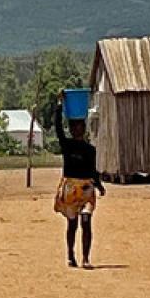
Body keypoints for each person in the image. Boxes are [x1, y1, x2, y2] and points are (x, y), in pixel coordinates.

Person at [53, 110, 105, 269]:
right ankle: (70, 254)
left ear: (84, 129)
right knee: (72, 224)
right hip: (70, 189)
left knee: (86, 221)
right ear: (71, 129)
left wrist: (99, 185)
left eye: (80, 126)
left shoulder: (90, 150)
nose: (78, 129)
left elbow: (92, 170)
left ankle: (85, 258)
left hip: (86, 189)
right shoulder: (67, 145)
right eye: (74, 127)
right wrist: (59, 107)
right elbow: (58, 128)